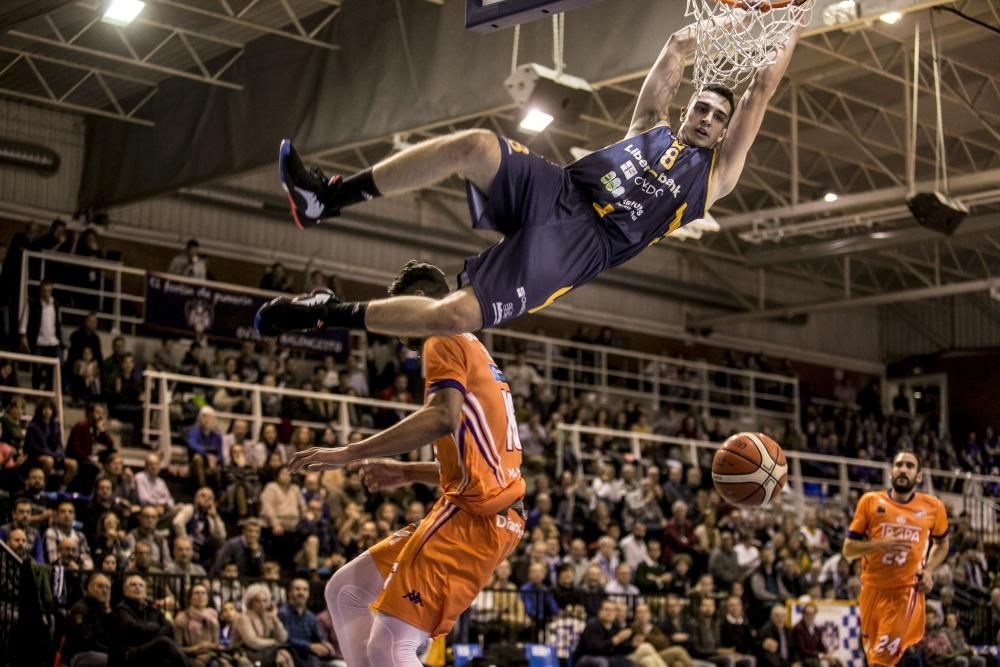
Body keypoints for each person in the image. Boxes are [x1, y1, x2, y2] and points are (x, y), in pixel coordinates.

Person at [259, 16, 801, 343]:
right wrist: (725, 21)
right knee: (473, 144)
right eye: (701, 108)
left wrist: (791, 14)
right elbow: (678, 47)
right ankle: (324, 198)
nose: (706, 118)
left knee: (455, 315)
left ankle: (322, 315)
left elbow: (761, 89)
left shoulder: (714, 176)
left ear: (725, 131)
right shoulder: (650, 126)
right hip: (560, 188)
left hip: (584, 243)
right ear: (688, 110)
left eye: (716, 117)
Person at [289, 260, 526, 667]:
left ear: (417, 302)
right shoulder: (475, 349)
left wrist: (347, 453)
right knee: (346, 589)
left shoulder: (443, 337)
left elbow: (441, 417)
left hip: (474, 519)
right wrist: (406, 472)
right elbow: (480, 463)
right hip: (483, 512)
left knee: (389, 645)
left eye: (396, 310)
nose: (394, 326)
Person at [842, 450, 949, 667]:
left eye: (910, 466)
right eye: (899, 465)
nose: (903, 469)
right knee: (874, 659)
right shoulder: (870, 501)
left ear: (918, 476)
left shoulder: (933, 506)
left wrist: (928, 570)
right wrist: (878, 544)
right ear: (891, 472)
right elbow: (848, 550)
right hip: (871, 591)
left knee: (882, 661)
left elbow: (942, 543)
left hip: (905, 592)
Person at [110, 575, 188, 667]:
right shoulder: (121, 609)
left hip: (149, 650)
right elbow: (134, 630)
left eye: (141, 585)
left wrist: (151, 632)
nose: (137, 587)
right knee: (164, 643)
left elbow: (168, 629)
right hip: (128, 653)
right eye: (133, 585)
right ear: (125, 590)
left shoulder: (152, 608)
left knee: (167, 663)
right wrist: (156, 628)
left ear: (145, 592)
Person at [278, 578, 337, 667]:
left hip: (310, 656)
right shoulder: (283, 613)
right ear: (289, 593)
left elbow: (318, 636)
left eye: (305, 590)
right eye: (297, 589)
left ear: (308, 594)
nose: (301, 593)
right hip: (293, 655)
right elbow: (285, 639)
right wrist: (309, 646)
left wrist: (325, 643)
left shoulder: (311, 616)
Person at [233, 583, 294, 667]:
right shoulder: (243, 618)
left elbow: (283, 638)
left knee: (284, 655)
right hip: (243, 654)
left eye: (265, 601)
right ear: (250, 602)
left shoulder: (267, 617)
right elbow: (252, 642)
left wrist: (275, 620)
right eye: (258, 601)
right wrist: (274, 642)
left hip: (263, 654)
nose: (262, 605)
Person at [18, 278, 63, 390]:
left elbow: (58, 323)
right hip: (38, 342)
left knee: (52, 371)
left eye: (49, 291)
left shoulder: (56, 304)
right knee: (37, 369)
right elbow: (24, 321)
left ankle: (48, 393)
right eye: (44, 291)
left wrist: (60, 340)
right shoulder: (33, 302)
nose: (46, 293)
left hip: (53, 342)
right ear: (40, 290)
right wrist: (24, 337)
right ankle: (36, 392)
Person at [63, 572, 114, 667]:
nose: (105, 591)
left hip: (98, 651)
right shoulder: (80, 609)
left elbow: (111, 633)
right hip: (81, 654)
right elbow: (86, 642)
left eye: (108, 587)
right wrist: (112, 650)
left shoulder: (102, 607)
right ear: (88, 588)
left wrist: (107, 610)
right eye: (100, 586)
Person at [792, 603, 841, 667]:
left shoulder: (817, 629)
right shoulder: (798, 628)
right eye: (807, 614)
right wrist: (819, 655)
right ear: (803, 615)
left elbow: (820, 645)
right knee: (814, 663)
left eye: (812, 614)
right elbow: (801, 649)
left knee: (836, 662)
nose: (810, 616)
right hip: (803, 658)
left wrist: (827, 653)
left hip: (815, 656)